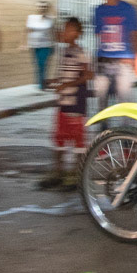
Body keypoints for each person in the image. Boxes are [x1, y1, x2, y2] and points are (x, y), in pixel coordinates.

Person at [40, 18, 92, 188]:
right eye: (64, 29)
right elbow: (66, 75)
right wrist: (55, 81)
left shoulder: (80, 52)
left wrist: (65, 85)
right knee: (59, 136)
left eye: (68, 30)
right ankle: (58, 172)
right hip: (63, 101)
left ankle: (76, 175)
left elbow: (87, 76)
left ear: (77, 34)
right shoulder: (65, 51)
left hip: (76, 102)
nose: (64, 32)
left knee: (77, 138)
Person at [93, 0, 137, 124]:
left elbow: (136, 34)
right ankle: (103, 142)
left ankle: (127, 143)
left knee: (125, 106)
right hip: (103, 62)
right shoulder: (99, 10)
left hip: (123, 63)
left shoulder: (128, 9)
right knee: (102, 107)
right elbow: (99, 35)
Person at [26, 1, 56, 89]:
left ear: (47, 8)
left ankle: (41, 84)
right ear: (37, 8)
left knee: (42, 63)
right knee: (37, 64)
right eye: (40, 6)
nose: (42, 8)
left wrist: (53, 44)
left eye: (44, 6)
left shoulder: (50, 19)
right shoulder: (31, 18)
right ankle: (40, 81)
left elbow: (53, 32)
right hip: (34, 45)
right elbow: (26, 31)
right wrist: (24, 43)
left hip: (46, 45)